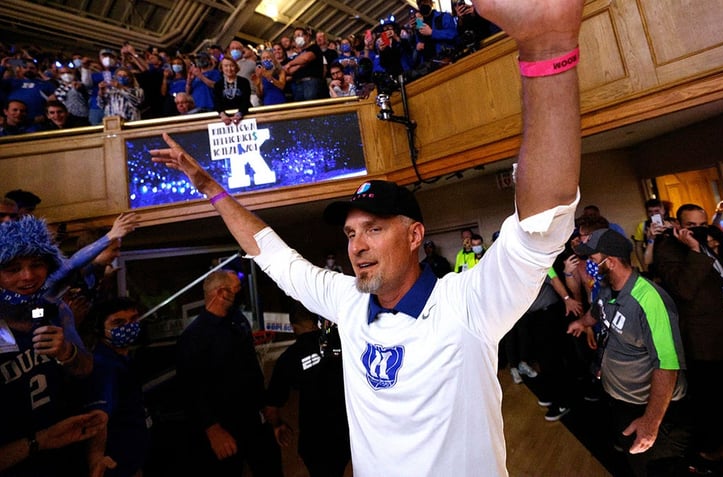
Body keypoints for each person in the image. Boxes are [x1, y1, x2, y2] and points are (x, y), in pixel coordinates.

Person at [151, 0, 583, 472]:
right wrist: (210, 187)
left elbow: (543, 220)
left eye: (374, 229)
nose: (356, 245)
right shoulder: (348, 303)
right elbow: (269, 252)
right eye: (351, 233)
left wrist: (547, 47)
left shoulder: (468, 304)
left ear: (416, 235)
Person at [567, 229, 690, 477]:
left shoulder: (650, 300)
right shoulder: (605, 287)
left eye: (592, 259)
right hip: (622, 400)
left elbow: (667, 365)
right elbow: (597, 312)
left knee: (657, 469)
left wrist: (651, 423)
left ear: (609, 262)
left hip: (651, 408)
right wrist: (583, 323)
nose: (588, 264)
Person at [0, 216, 101, 475]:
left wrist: (68, 353)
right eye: (13, 269)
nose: (28, 277)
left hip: (67, 457)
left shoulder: (55, 310)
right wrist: (40, 441)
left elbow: (86, 369)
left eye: (37, 265)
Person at [651, 203, 723, 466]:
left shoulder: (707, 244)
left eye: (701, 224)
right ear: (679, 226)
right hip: (703, 339)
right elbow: (683, 288)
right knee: (710, 399)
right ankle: (709, 450)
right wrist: (693, 250)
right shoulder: (669, 248)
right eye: (691, 226)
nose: (698, 230)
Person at [175, 270, 282, 477]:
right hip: (224, 425)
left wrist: (267, 408)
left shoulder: (237, 319)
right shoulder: (194, 337)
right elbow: (190, 389)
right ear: (222, 293)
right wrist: (212, 429)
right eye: (237, 289)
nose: (240, 292)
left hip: (254, 419)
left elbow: (250, 368)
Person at [267, 303, 351, 477]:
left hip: (314, 439)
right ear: (315, 322)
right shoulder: (340, 341)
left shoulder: (289, 358)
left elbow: (272, 402)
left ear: (293, 327)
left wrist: (277, 424)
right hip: (346, 431)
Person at [84, 297, 151, 477]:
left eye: (133, 320)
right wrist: (96, 462)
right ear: (100, 328)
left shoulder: (124, 359)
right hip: (116, 465)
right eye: (118, 322)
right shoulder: (104, 366)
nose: (128, 327)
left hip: (132, 459)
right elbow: (98, 419)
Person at [213, 56, 251, 126]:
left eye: (231, 66)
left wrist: (239, 114)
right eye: (226, 66)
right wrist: (223, 115)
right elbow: (217, 103)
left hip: (244, 117)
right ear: (222, 68)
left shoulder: (244, 82)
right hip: (225, 119)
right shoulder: (218, 85)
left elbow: (246, 101)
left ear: (236, 67)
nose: (229, 69)